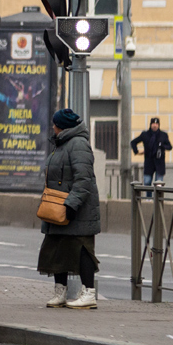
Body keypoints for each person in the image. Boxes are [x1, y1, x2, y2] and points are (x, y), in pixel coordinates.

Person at [38, 108, 101, 310]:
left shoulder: (78, 144)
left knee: (82, 250)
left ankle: (89, 293)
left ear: (61, 126)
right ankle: (60, 292)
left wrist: (72, 204)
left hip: (76, 210)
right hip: (58, 208)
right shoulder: (63, 143)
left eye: (55, 124)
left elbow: (83, 179)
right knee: (57, 249)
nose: (53, 127)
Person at [130, 117, 172, 188]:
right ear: (150, 124)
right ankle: (148, 199)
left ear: (158, 125)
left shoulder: (163, 135)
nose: (155, 125)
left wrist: (161, 146)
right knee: (147, 182)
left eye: (156, 124)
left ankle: (158, 199)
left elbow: (169, 147)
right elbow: (133, 142)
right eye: (153, 124)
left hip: (159, 162)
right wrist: (137, 152)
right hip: (149, 162)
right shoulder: (145, 134)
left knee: (159, 184)